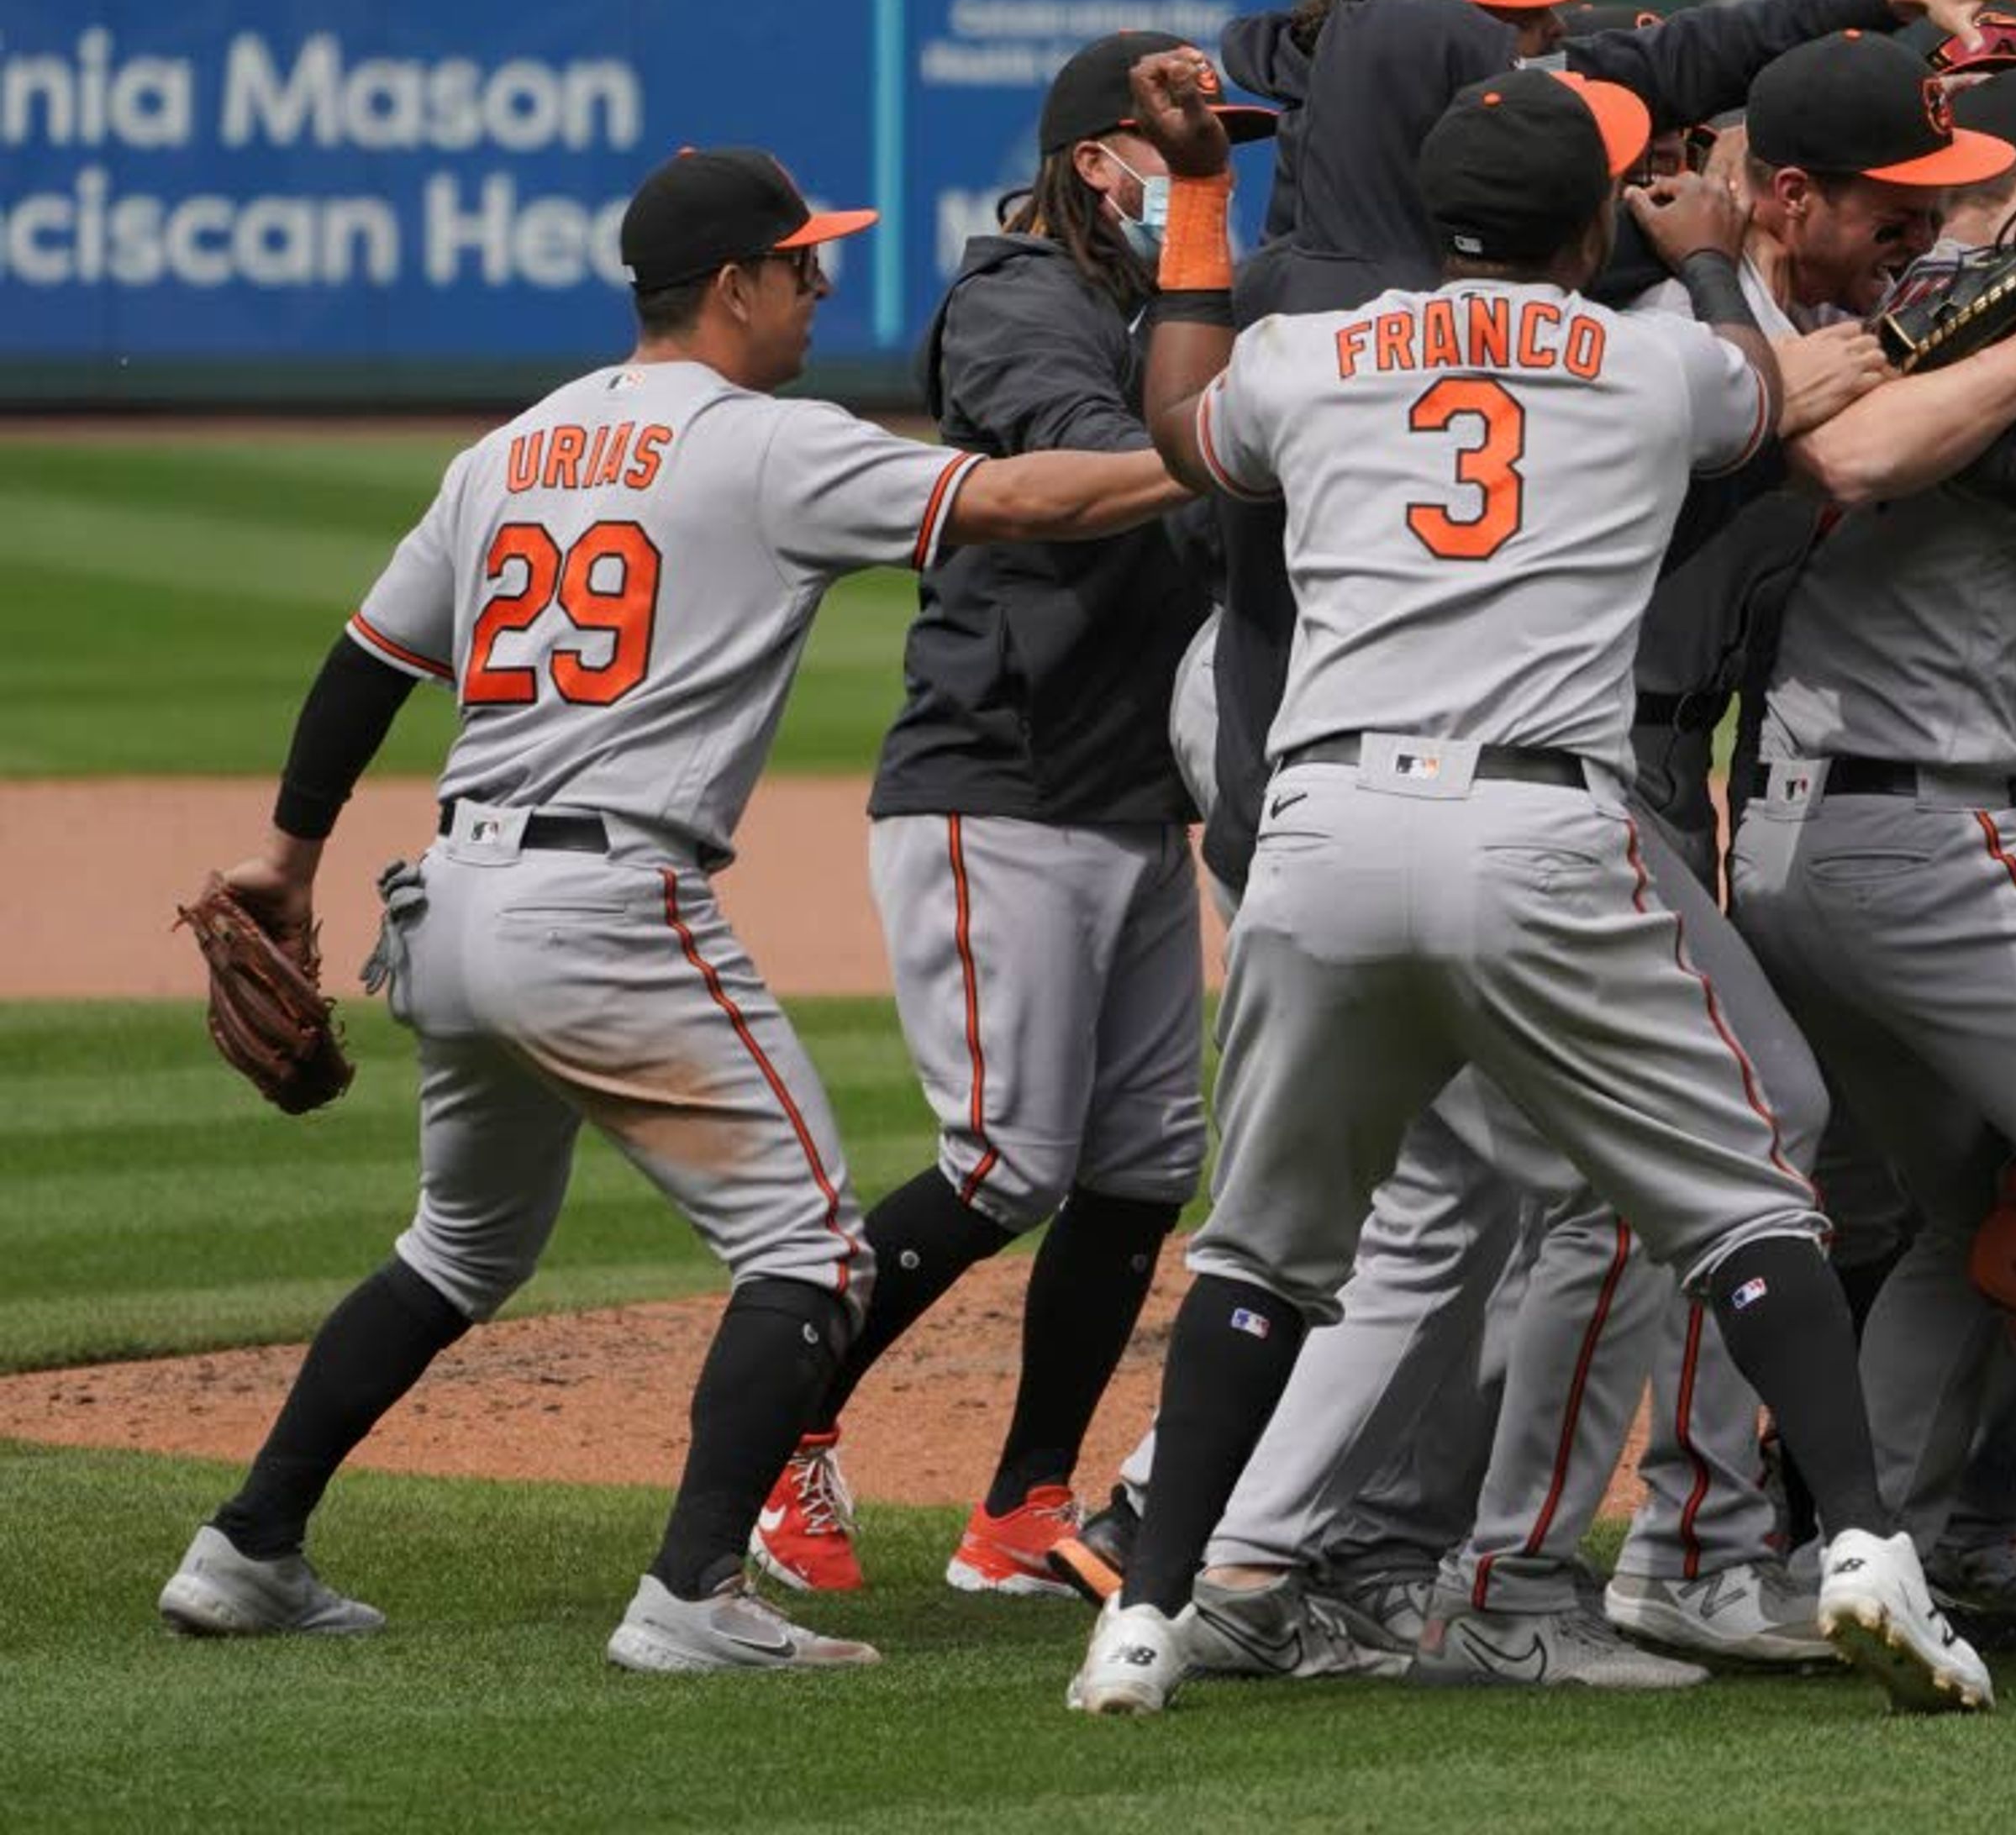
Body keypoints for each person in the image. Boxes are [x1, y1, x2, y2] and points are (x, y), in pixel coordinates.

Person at [152, 133, 1222, 1671]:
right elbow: (1029, 507)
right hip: (607, 908)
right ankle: (693, 1595)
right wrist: (1217, 450)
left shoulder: (511, 448)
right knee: (811, 1251)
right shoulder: (759, 442)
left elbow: (371, 661)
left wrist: (290, 852)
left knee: (455, 1252)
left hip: (445, 905)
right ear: (730, 286)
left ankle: (246, 1545)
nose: (823, 282)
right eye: (801, 264)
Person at [1069, 62, 1995, 1720]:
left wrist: (1204, 202)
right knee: (1746, 1200)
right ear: (1587, 224)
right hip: (1540, 829)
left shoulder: (1310, 356)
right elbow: (1774, 401)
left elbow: (1176, 424)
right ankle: (1863, 1543)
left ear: (1437, 221)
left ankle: (1145, 1612)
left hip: (1327, 822)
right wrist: (1716, 257)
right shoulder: (1654, 366)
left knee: (1264, 1252)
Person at [745, 35, 1273, 1603]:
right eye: (1166, 149)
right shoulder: (1016, 295)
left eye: (1219, 149)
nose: (1193, 173)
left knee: (1138, 1164)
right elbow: (1091, 453)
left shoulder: (1160, 305)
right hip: (998, 775)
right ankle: (781, 1430)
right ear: (1091, 157)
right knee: (1002, 1160)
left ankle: (1021, 1508)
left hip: (1124, 792)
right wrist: (1248, 452)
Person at [1724, 50, 2016, 1640]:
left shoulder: (1848, 330)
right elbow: (1851, 460)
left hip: (1791, 842)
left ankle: (1867, 1551)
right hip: (1927, 837)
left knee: (1960, 1212)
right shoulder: (2002, 339)